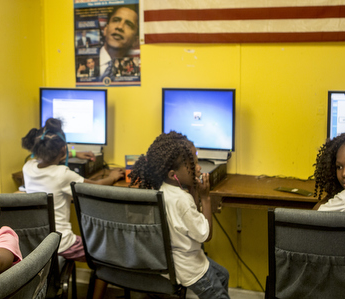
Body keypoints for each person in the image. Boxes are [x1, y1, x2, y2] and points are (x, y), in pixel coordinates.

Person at [21, 118, 124, 298]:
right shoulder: (63, 174)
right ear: (63, 150)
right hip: (61, 243)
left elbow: (43, 158)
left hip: (36, 242)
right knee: (105, 257)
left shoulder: (27, 167)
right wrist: (114, 177)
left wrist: (76, 152)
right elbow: (96, 186)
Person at [128, 131, 230, 299]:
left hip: (171, 262)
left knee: (223, 275)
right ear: (172, 174)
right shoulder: (181, 200)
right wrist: (205, 198)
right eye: (193, 164)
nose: (198, 168)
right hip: (191, 268)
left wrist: (194, 191)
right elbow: (206, 235)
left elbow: (189, 218)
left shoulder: (162, 189)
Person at [99, 5, 139, 80]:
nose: (120, 27)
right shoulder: (87, 61)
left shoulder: (132, 73)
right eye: (116, 20)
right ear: (105, 30)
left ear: (135, 41)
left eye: (128, 24)